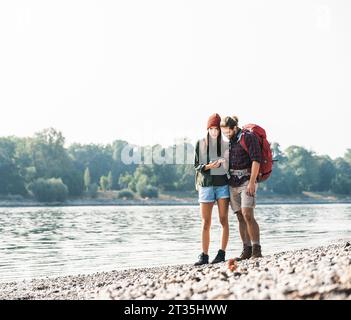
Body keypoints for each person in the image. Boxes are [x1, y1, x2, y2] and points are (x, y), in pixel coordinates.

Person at [220, 115, 263, 260]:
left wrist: (252, 182)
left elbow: (256, 160)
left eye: (228, 132)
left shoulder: (248, 137)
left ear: (234, 127)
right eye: (224, 133)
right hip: (233, 183)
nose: (226, 135)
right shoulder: (229, 142)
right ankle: (247, 249)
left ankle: (257, 249)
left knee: (248, 214)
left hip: (247, 180)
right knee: (240, 217)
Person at [194, 113, 230, 266]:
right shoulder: (200, 143)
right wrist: (209, 166)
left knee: (223, 220)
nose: (214, 131)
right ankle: (204, 255)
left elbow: (230, 166)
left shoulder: (226, 145)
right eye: (211, 128)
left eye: (216, 129)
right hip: (206, 185)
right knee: (206, 222)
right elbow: (197, 166)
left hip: (222, 185)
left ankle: (221, 253)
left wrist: (224, 162)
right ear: (207, 129)